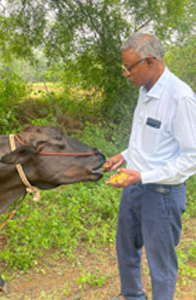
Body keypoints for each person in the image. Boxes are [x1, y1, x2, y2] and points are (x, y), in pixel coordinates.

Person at [105, 32, 196, 300]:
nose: (125, 73)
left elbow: (191, 157)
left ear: (151, 61)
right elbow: (151, 137)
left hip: (162, 196)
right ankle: (132, 296)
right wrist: (124, 155)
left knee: (161, 263)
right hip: (134, 187)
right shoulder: (145, 90)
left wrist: (144, 175)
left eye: (129, 67)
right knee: (126, 248)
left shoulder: (180, 97)